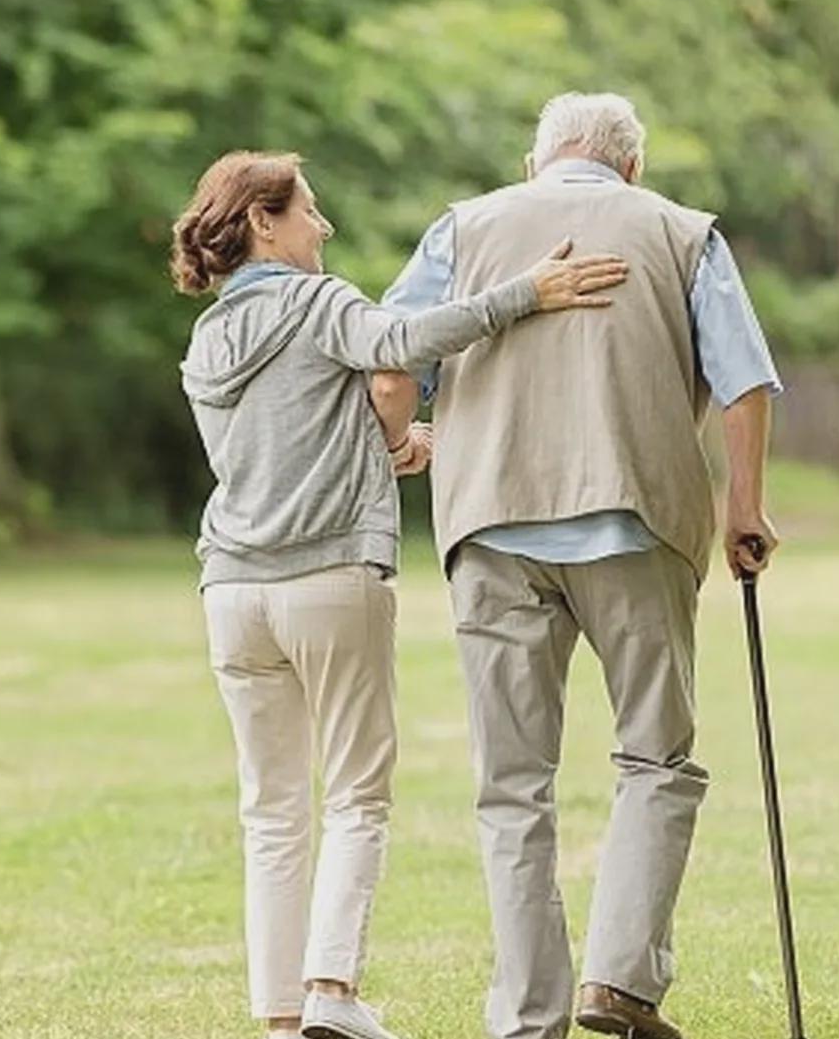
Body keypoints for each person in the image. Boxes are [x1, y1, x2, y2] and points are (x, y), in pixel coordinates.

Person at [174, 150, 629, 1039]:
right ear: (264, 223)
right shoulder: (318, 301)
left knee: (271, 808)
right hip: (330, 577)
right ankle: (332, 993)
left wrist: (382, 449)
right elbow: (402, 349)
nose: (324, 227)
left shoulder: (207, 340)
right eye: (308, 209)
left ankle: (278, 1014)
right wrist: (525, 293)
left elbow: (282, 443)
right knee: (354, 794)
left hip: (231, 588)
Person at [373, 92, 782, 1039]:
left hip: (493, 530)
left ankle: (527, 1016)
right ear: (629, 168)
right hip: (639, 526)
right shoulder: (683, 232)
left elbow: (393, 367)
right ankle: (621, 982)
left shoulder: (463, 228)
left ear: (535, 163)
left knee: (512, 784)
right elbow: (745, 379)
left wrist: (399, 440)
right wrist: (744, 508)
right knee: (656, 756)